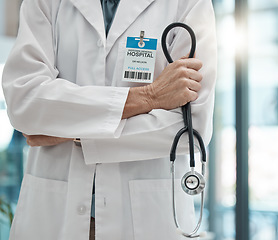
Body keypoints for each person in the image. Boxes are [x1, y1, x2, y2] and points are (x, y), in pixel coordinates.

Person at [1, 0, 217, 239]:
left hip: (148, 220)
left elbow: (191, 130)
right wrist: (149, 96)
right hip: (54, 217)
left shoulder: (188, 3)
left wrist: (74, 132)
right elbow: (24, 101)